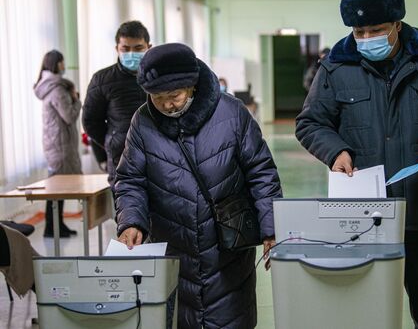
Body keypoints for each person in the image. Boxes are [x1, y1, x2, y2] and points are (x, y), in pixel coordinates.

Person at [295, 0, 418, 328]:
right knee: (364, 306)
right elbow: (310, 123)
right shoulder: (335, 68)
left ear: (397, 24)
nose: (366, 38)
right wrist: (335, 152)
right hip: (361, 213)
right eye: (359, 31)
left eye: (376, 30)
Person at [115, 43, 282, 328]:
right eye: (158, 97)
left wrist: (272, 228)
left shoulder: (232, 113)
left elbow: (261, 172)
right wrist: (131, 221)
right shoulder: (142, 122)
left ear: (192, 86)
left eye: (175, 96)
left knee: (230, 319)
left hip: (228, 252)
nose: (167, 104)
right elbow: (131, 180)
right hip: (172, 249)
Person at [82, 21, 151, 187]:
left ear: (149, 47)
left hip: (160, 160)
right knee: (127, 210)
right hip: (122, 160)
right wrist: (112, 141)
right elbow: (90, 121)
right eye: (125, 49)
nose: (131, 53)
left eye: (138, 48)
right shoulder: (102, 79)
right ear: (117, 49)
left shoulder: (159, 75)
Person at [34, 50, 81, 238]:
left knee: (57, 188)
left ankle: (57, 225)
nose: (64, 65)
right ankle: (51, 227)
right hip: (59, 145)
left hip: (56, 143)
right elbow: (69, 116)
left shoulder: (50, 86)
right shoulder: (57, 88)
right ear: (56, 64)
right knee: (57, 188)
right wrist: (77, 100)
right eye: (62, 62)